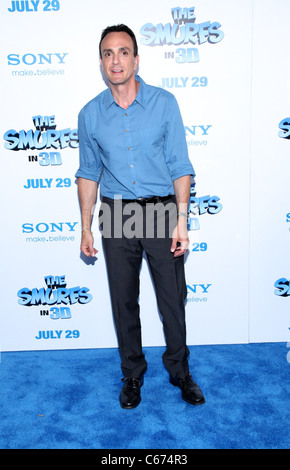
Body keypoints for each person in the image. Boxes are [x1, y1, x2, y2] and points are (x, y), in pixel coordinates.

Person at [75, 24, 205, 409]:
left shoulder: (165, 103)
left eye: (123, 51)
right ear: (101, 62)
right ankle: (132, 374)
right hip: (117, 214)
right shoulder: (90, 114)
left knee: (172, 300)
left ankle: (180, 372)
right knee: (123, 301)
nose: (116, 60)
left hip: (163, 211)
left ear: (136, 58)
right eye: (108, 53)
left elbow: (181, 165)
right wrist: (85, 227)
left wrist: (182, 219)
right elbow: (87, 173)